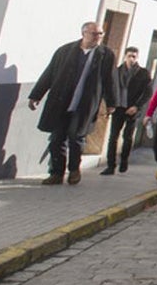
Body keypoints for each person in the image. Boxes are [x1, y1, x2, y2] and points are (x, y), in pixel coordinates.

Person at [28, 21, 117, 185]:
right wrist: (36, 95)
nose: (98, 37)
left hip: (84, 104)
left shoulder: (106, 55)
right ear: (84, 33)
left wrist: (111, 102)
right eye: (94, 34)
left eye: (100, 34)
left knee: (76, 138)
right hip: (61, 102)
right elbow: (49, 73)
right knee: (56, 139)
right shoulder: (65, 51)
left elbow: (110, 79)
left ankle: (74, 170)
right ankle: (56, 173)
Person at [102, 47, 152, 175]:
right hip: (118, 108)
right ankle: (110, 165)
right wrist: (110, 104)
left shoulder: (143, 73)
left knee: (128, 137)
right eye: (129, 56)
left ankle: (124, 160)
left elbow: (147, 92)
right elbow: (109, 89)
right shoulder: (117, 71)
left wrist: (137, 106)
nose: (132, 59)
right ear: (125, 56)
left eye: (134, 56)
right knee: (113, 137)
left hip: (132, 109)